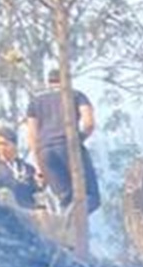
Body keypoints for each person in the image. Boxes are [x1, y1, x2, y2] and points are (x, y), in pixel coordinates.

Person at [20, 68, 100, 213]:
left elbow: (32, 136)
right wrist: (79, 138)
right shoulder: (76, 95)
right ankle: (74, 220)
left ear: (49, 83)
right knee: (91, 197)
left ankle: (69, 227)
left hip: (45, 152)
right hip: (68, 147)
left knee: (66, 199)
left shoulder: (35, 103)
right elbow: (89, 123)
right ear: (66, 81)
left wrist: (39, 166)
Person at [0, 127, 40, 210]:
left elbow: (37, 193)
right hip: (5, 217)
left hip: (29, 215)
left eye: (5, 144)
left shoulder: (28, 169)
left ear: (14, 145)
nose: (2, 148)